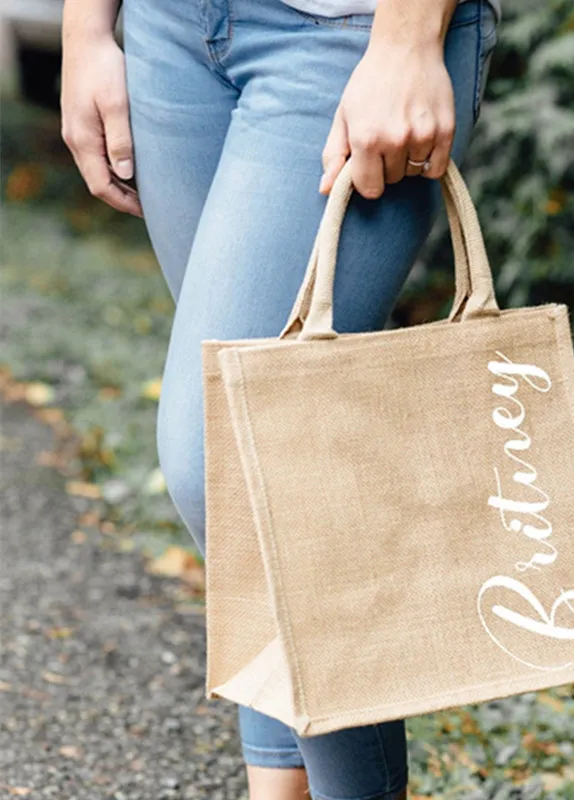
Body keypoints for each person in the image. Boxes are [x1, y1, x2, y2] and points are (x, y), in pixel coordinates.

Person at [59, 0, 499, 797]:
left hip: (346, 35)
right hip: (170, 31)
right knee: (267, 484)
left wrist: (406, 38)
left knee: (236, 465)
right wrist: (85, 29)